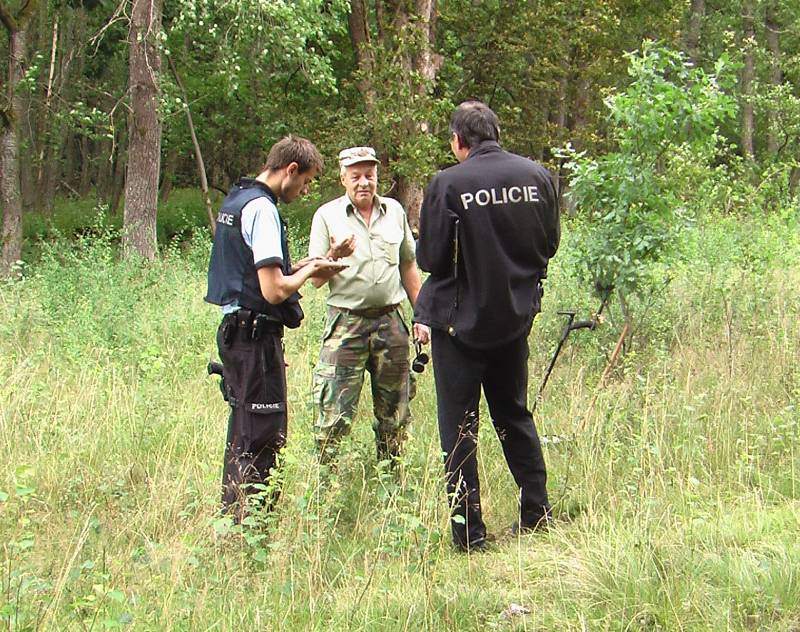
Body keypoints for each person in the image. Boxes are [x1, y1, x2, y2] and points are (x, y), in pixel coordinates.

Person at [413, 101, 561, 552]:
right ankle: (536, 510)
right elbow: (549, 246)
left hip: (459, 327)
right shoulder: (537, 177)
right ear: (495, 132)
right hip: (514, 321)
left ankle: (470, 535)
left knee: (458, 429)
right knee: (514, 415)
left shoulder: (447, 183)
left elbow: (431, 259)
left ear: (459, 141)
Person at [205, 135, 347, 520]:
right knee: (264, 436)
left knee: (243, 430)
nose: (305, 190)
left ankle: (233, 520)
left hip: (235, 333)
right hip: (255, 338)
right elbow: (272, 290)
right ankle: (252, 528)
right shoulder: (263, 209)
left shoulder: (237, 199)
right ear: (290, 170)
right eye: (306, 182)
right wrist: (313, 271)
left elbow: (257, 274)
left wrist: (319, 260)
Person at [308, 146, 422, 463]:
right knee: (333, 412)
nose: (364, 183)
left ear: (377, 177)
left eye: (369, 176)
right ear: (343, 178)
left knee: (395, 411)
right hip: (346, 324)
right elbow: (315, 279)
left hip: (391, 323)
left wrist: (422, 315)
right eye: (356, 176)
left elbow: (408, 265)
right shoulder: (327, 216)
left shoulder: (395, 212)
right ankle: (326, 489)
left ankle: (391, 480)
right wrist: (333, 256)